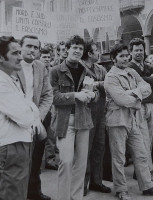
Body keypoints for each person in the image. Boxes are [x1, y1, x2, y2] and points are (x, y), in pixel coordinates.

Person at [104, 43, 153, 200]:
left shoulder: (132, 71)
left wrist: (133, 94)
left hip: (133, 119)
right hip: (117, 121)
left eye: (126, 55)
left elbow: (146, 87)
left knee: (141, 153)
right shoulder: (110, 77)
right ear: (113, 59)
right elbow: (122, 99)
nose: (125, 58)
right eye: (121, 56)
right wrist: (137, 96)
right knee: (119, 157)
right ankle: (121, 189)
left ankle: (147, 185)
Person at [50, 35, 97, 200]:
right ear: (67, 49)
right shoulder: (56, 71)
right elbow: (53, 98)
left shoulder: (87, 70)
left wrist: (92, 95)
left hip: (83, 120)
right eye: (74, 47)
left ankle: (76, 197)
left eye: (80, 48)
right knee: (66, 161)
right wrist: (75, 95)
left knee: (81, 164)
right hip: (65, 122)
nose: (77, 51)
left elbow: (95, 93)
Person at [0, 36, 41, 200]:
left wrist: (30, 110)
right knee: (13, 194)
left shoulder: (11, 78)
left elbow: (30, 110)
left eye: (19, 52)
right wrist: (31, 111)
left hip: (18, 143)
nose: (20, 57)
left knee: (19, 192)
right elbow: (25, 117)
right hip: (11, 146)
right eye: (14, 53)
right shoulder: (1, 81)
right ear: (1, 58)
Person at [16, 35, 53, 200]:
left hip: (37, 120)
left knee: (37, 158)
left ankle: (34, 191)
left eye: (35, 47)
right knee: (17, 162)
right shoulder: (11, 66)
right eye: (28, 46)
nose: (32, 50)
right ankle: (19, 194)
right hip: (16, 121)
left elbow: (47, 95)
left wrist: (38, 117)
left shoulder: (40, 67)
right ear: (20, 47)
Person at [128, 38, 153, 182]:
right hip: (138, 106)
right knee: (142, 140)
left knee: (150, 138)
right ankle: (148, 171)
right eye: (136, 50)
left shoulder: (147, 66)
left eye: (141, 50)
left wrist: (143, 79)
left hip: (151, 105)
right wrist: (148, 78)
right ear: (131, 52)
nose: (139, 53)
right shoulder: (129, 67)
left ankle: (140, 170)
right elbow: (134, 83)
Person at [80, 41, 111, 195]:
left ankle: (96, 181)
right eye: (96, 50)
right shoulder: (80, 68)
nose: (99, 52)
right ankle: (83, 184)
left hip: (100, 113)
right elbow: (85, 88)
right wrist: (102, 84)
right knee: (86, 148)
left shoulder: (101, 68)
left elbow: (109, 84)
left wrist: (97, 84)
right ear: (89, 53)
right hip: (86, 112)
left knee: (99, 146)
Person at [40, 47, 58, 170]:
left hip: (51, 107)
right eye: (44, 57)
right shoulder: (35, 71)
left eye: (48, 57)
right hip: (39, 107)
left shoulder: (51, 71)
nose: (46, 59)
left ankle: (50, 160)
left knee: (51, 135)